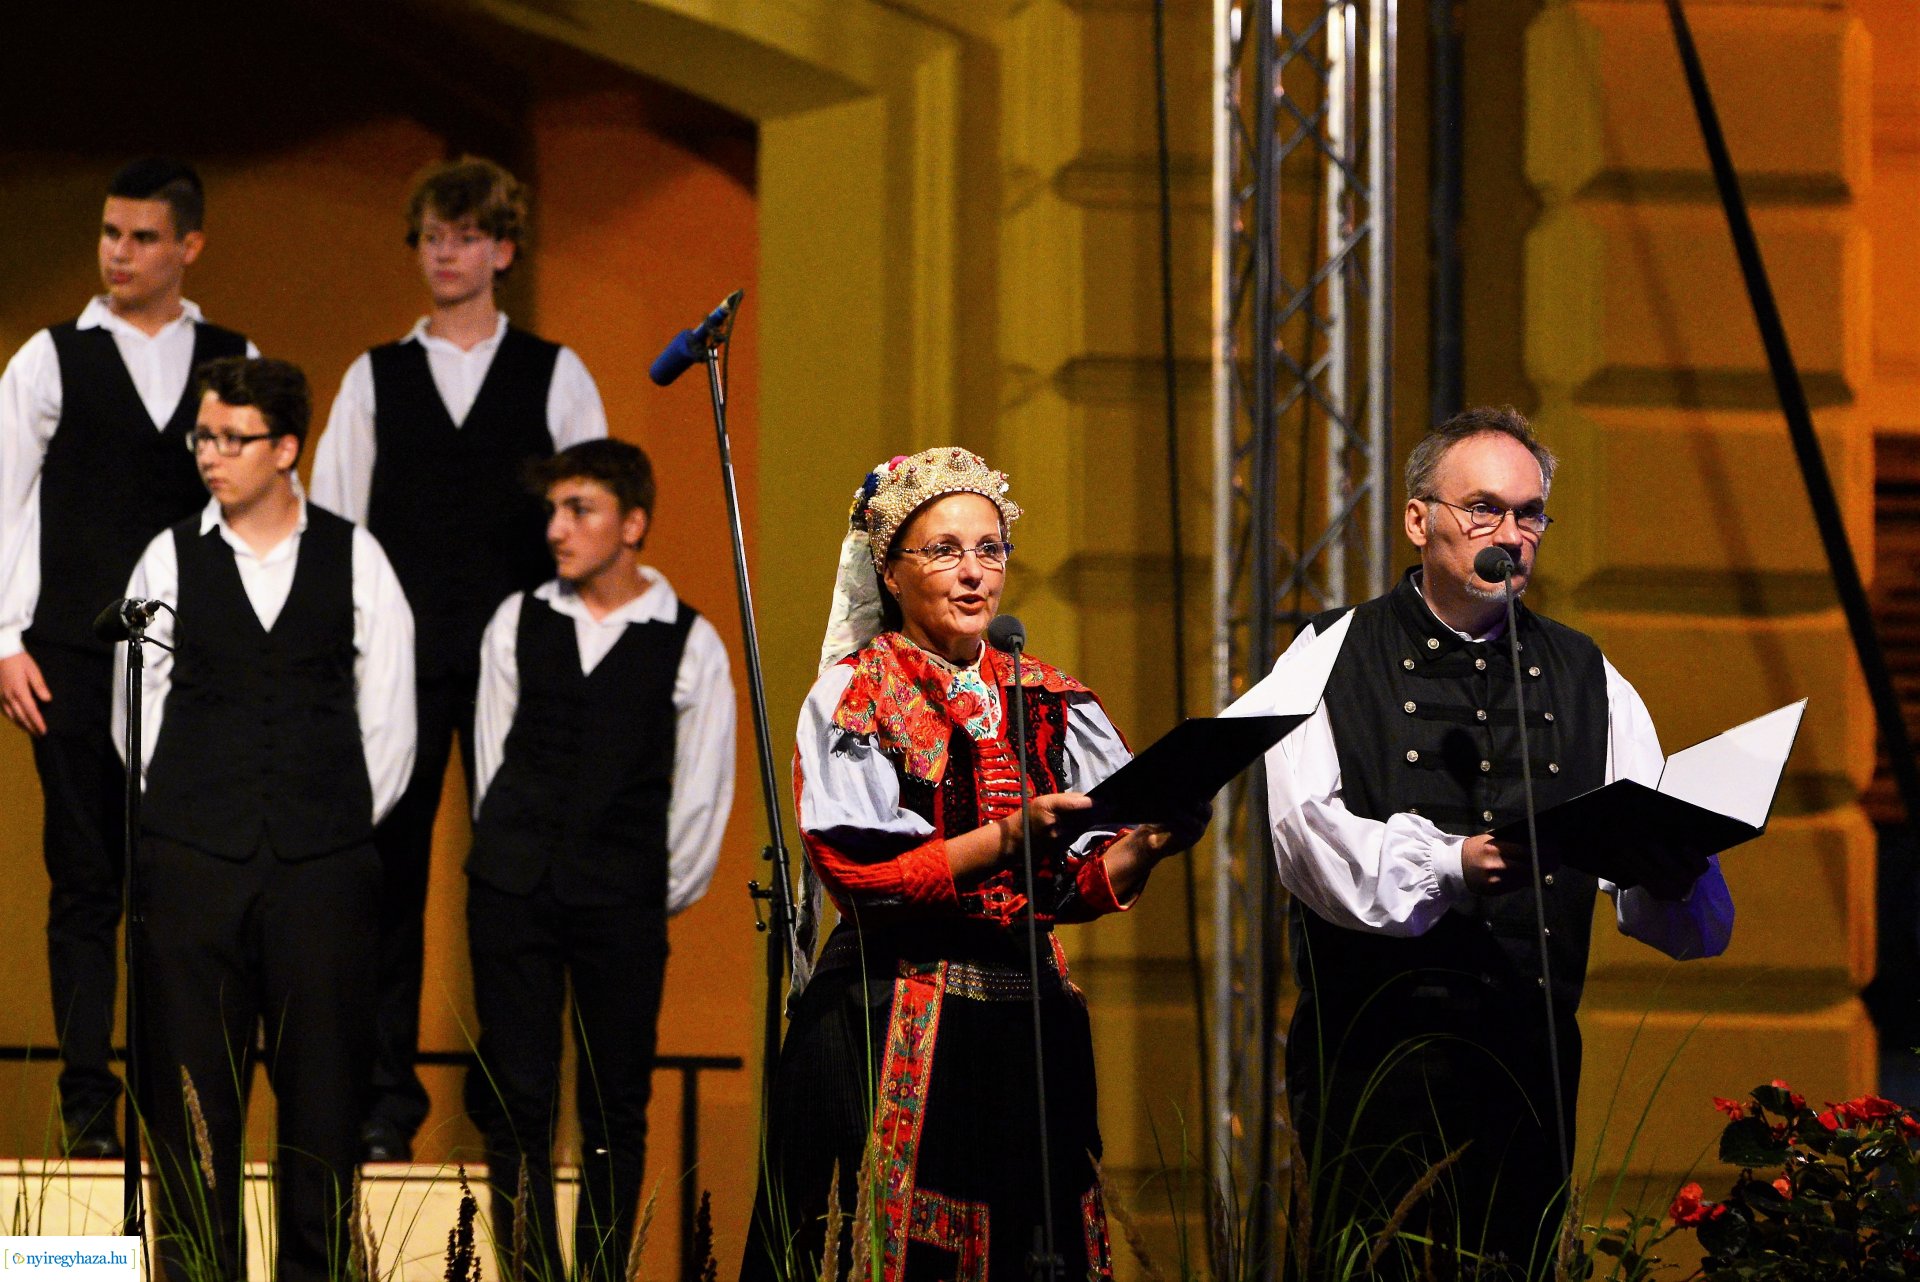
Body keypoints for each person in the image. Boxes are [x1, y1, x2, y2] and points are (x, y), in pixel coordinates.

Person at [1263, 407, 1735, 1277]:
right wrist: (1448, 863)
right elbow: (1305, 840)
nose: (1509, 537)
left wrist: (1674, 869)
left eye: (1529, 515)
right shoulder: (1328, 654)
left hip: (1529, 1058)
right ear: (1419, 519)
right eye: (1483, 510)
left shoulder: (1586, 673)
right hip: (1375, 1060)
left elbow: (1652, 867)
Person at [742, 447, 1208, 1282]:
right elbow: (863, 874)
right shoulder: (860, 693)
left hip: (1026, 1017)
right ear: (889, 572)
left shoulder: (1048, 694)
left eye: (989, 550)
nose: (973, 575)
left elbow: (1074, 884)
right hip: (890, 1010)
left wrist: (1147, 844)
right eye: (944, 551)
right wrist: (1005, 838)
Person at [311, 155, 609, 1162]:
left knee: (513, 884)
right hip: (397, 667)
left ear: (503, 250)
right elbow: (336, 533)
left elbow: (591, 520)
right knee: (385, 882)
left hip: (518, 673)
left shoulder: (555, 374)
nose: (446, 254)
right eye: (433, 237)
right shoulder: (373, 379)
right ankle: (383, 1104)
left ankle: (513, 1111)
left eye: (466, 237)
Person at [116, 356, 415, 1282]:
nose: (211, 456)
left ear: (287, 448)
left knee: (322, 1111)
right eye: (203, 436)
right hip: (194, 864)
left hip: (321, 868)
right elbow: (137, 711)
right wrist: (191, 807)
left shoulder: (354, 554)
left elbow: (389, 714)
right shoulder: (168, 555)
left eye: (232, 439)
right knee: (189, 1108)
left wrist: (329, 818)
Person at [0, 157, 255, 1158]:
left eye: (142, 236)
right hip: (64, 652)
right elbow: (6, 502)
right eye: (110, 232)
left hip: (186, 668)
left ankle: (175, 1105)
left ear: (188, 245)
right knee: (83, 880)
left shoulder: (233, 358)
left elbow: (256, 511)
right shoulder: (50, 357)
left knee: (180, 889)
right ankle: (87, 1108)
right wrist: (5, 640)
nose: (118, 251)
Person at [465, 439, 735, 1282]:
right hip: (513, 888)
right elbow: (489, 759)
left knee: (617, 1105)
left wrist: (645, 890)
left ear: (633, 523)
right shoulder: (517, 619)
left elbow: (701, 795)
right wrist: (513, 854)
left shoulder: (688, 642)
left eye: (578, 509)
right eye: (553, 510)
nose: (557, 528)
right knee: (517, 1101)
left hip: (621, 898)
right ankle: (532, 1272)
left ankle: (602, 1274)